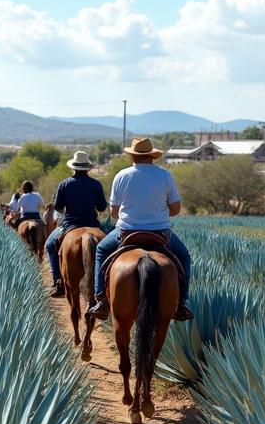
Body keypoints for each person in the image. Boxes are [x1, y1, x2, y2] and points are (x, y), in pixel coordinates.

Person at [87, 137, 193, 322]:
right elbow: (175, 209)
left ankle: (101, 300)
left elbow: (113, 212)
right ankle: (182, 304)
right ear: (152, 156)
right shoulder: (164, 175)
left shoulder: (122, 175)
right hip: (160, 233)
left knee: (102, 250)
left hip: (126, 232)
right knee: (184, 256)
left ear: (133, 157)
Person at [46, 151, 107, 298]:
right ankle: (105, 285)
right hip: (93, 224)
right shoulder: (96, 184)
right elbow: (102, 207)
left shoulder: (64, 184)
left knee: (49, 245)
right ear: (87, 168)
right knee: (109, 247)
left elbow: (58, 207)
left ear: (73, 167)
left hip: (70, 225)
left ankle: (58, 282)